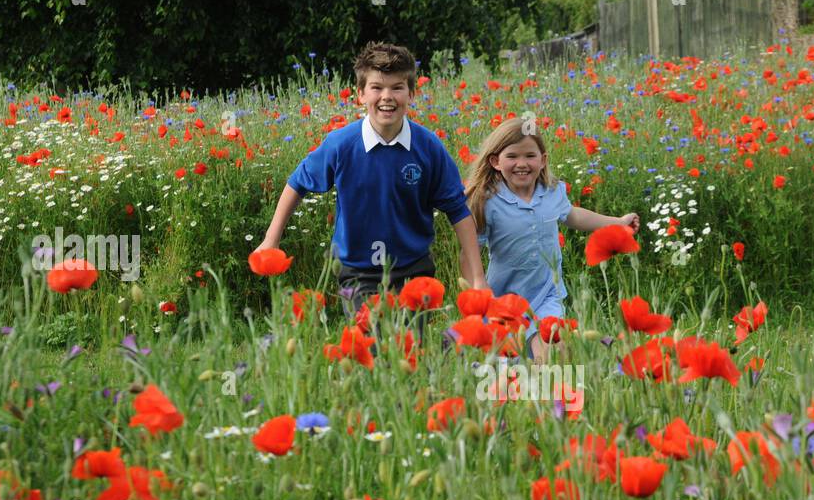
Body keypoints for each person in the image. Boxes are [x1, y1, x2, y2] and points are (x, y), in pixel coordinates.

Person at [253, 42, 487, 327]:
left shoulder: (428, 147)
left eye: (397, 87)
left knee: (410, 350)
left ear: (411, 94)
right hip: (359, 271)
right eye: (377, 87)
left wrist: (477, 277)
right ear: (361, 94)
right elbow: (297, 183)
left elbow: (458, 210)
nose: (387, 96)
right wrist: (271, 239)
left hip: (414, 269)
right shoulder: (341, 145)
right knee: (374, 342)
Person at [464, 115, 638, 360]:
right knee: (508, 366)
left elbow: (574, 216)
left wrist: (618, 223)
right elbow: (469, 251)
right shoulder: (487, 201)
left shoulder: (553, 191)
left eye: (530, 156)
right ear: (495, 161)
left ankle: (549, 396)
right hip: (504, 299)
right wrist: (474, 291)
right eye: (512, 156)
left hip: (547, 293)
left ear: (543, 160)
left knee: (554, 353)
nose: (521, 163)